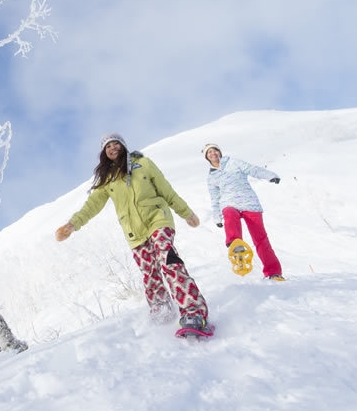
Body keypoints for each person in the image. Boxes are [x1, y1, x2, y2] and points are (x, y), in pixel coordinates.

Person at [55, 133, 210, 331]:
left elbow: (167, 191)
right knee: (149, 273)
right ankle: (161, 311)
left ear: (123, 146)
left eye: (115, 144)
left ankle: (193, 312)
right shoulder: (107, 179)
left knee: (168, 260)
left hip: (158, 219)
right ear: (104, 153)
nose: (112, 148)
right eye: (107, 146)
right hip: (134, 233)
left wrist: (186, 213)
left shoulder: (144, 164)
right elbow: (92, 205)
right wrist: (72, 224)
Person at [202, 143, 285, 280]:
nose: (213, 153)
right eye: (209, 152)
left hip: (249, 203)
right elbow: (215, 198)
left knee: (261, 239)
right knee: (229, 213)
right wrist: (217, 217)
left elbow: (253, 170)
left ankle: (273, 273)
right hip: (229, 202)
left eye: (215, 150)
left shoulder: (234, 162)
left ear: (219, 152)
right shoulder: (211, 177)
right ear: (207, 157)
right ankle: (236, 245)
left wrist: (270, 176)